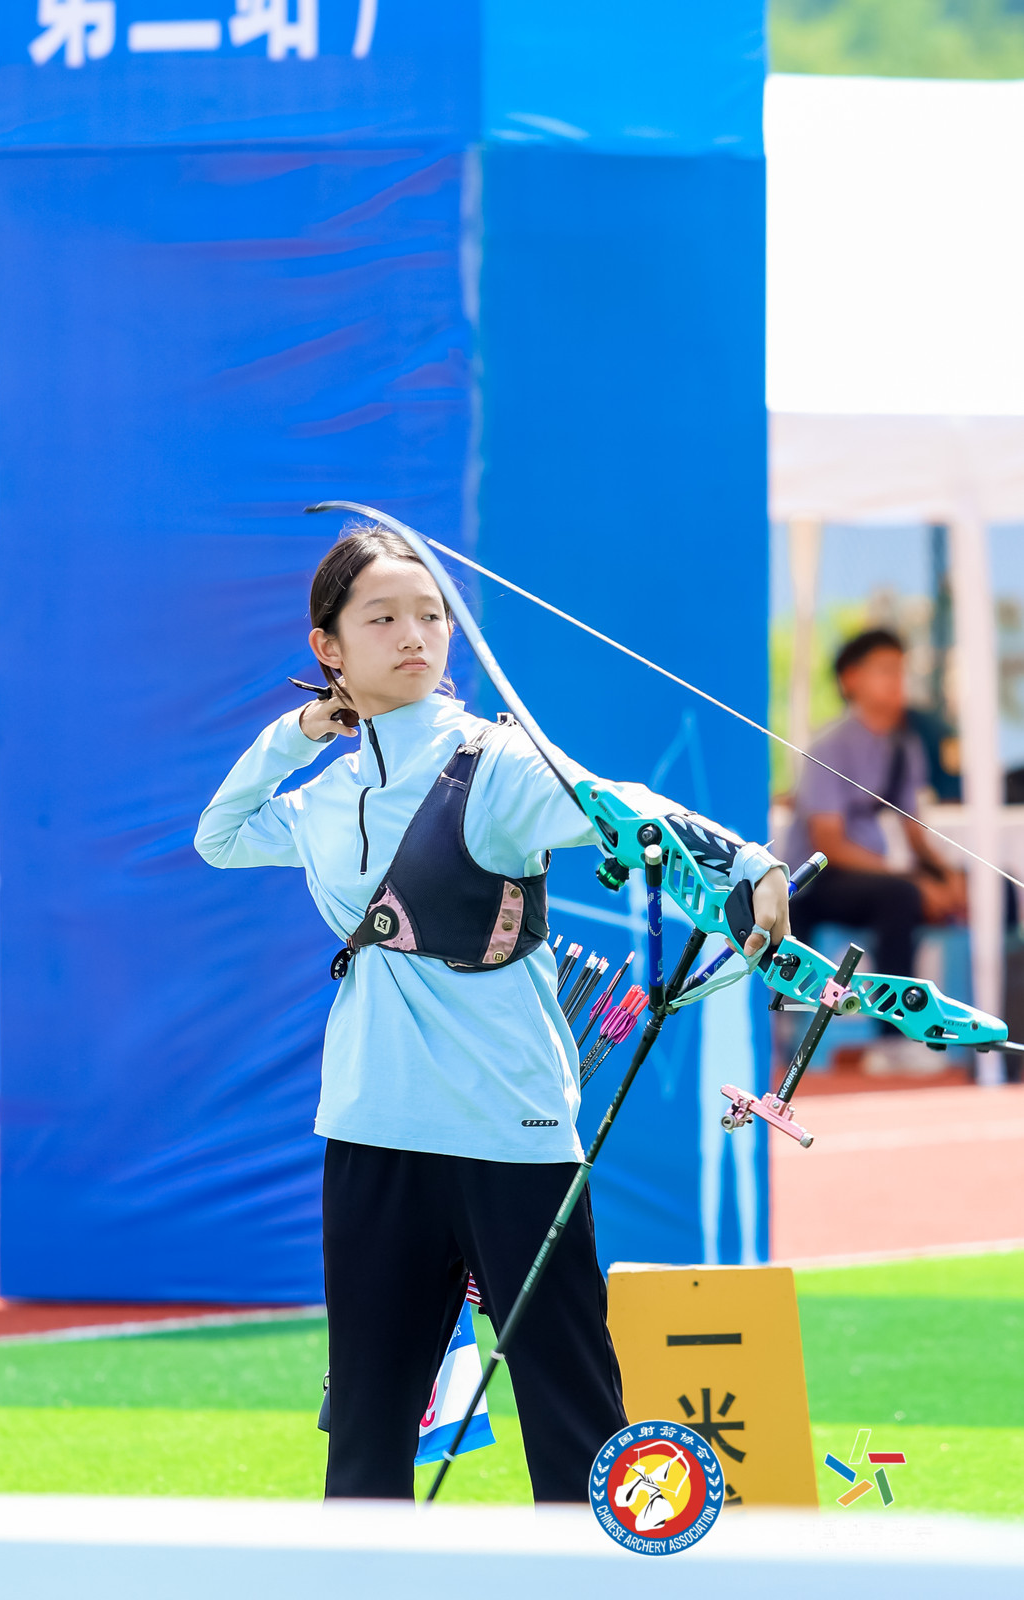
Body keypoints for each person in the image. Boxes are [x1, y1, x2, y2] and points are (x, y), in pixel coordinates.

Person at [194, 523, 791, 1502]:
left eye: (429, 614)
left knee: (573, 1417)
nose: (413, 634)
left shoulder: (496, 764)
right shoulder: (322, 797)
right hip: (370, 1127)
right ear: (328, 647)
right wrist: (297, 735)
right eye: (380, 617)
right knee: (368, 1430)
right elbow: (217, 835)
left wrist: (744, 864)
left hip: (508, 1131)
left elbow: (616, 805)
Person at [785, 628, 967, 1071]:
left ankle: (982, 1030)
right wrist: (913, 881)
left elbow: (914, 830)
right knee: (901, 896)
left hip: (872, 876)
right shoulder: (829, 745)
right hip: (815, 883)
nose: (897, 681)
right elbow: (829, 845)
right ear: (851, 680)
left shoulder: (904, 746)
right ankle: (893, 1040)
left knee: (987, 891)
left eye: (901, 671)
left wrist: (948, 879)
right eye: (885, 671)